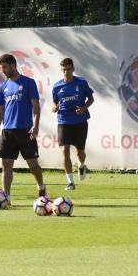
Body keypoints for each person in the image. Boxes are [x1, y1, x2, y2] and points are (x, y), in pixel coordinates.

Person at [0, 52, 47, 198]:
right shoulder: (2, 87)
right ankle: (6, 197)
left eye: (5, 67)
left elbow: (35, 105)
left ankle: (41, 187)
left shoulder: (29, 82)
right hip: (8, 132)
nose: (3, 70)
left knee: (33, 165)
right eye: (1, 68)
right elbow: (0, 109)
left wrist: (35, 126)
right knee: (6, 165)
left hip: (25, 130)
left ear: (13, 65)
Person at [51, 58, 94, 190]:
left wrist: (84, 107)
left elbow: (91, 98)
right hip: (64, 121)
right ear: (61, 70)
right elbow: (55, 102)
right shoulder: (57, 86)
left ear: (73, 69)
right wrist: (54, 107)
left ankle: (81, 165)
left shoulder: (81, 82)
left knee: (80, 152)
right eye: (63, 69)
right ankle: (70, 182)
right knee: (65, 150)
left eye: (68, 69)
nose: (66, 72)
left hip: (80, 121)